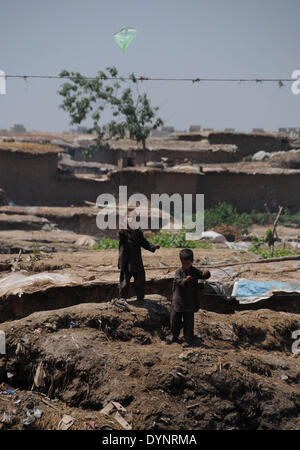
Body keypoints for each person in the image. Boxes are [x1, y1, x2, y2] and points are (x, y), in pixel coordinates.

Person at [167, 248, 210, 347]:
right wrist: (185, 280)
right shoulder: (178, 271)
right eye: (184, 263)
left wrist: (206, 273)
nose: (186, 266)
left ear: (192, 261)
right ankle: (174, 335)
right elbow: (178, 281)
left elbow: (204, 275)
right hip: (178, 300)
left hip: (190, 301)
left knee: (188, 321)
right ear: (181, 262)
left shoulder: (194, 271)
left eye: (188, 263)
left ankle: (187, 338)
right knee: (175, 319)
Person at [118, 211, 160, 304]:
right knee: (125, 280)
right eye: (128, 217)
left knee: (140, 280)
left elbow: (144, 242)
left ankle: (140, 298)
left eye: (133, 218)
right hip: (126, 261)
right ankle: (123, 298)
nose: (131, 219)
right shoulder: (123, 231)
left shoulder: (137, 232)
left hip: (137, 260)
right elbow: (120, 233)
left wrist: (153, 246)